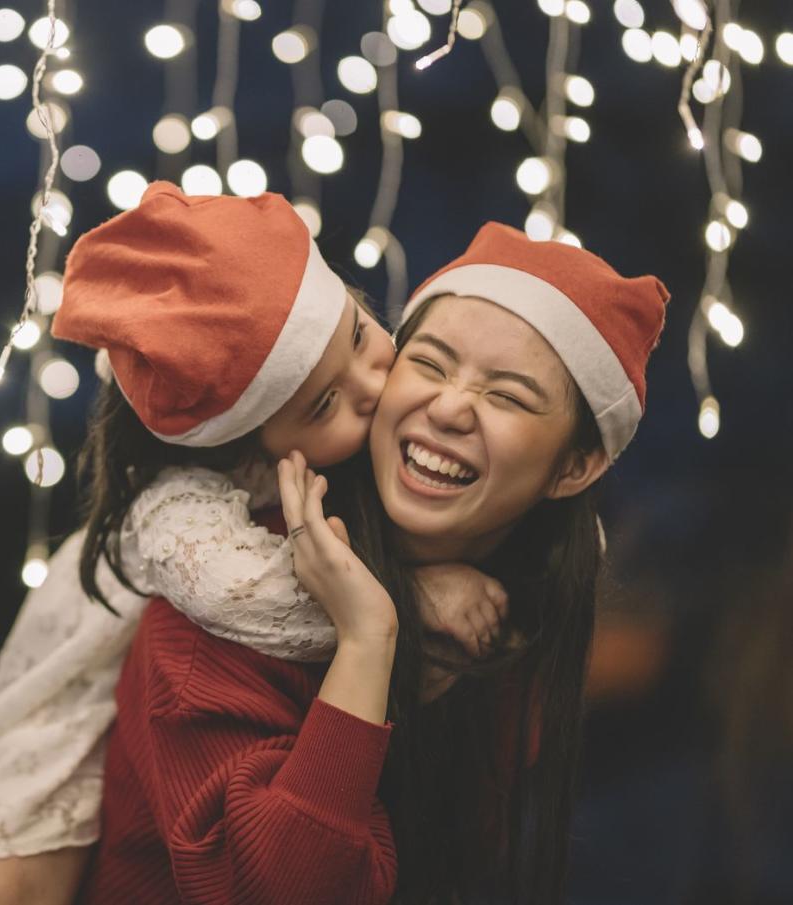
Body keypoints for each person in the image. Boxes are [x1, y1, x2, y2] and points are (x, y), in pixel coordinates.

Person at [0, 185, 507, 905]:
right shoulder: (182, 519)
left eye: (362, 336)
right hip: (60, 715)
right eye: (325, 403)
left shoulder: (330, 462)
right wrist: (412, 596)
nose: (374, 384)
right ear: (253, 442)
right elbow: (249, 594)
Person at [77, 222, 668, 904]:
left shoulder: (511, 614)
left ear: (574, 466)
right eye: (430, 362)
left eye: (505, 395)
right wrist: (367, 637)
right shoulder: (220, 605)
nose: (448, 407)